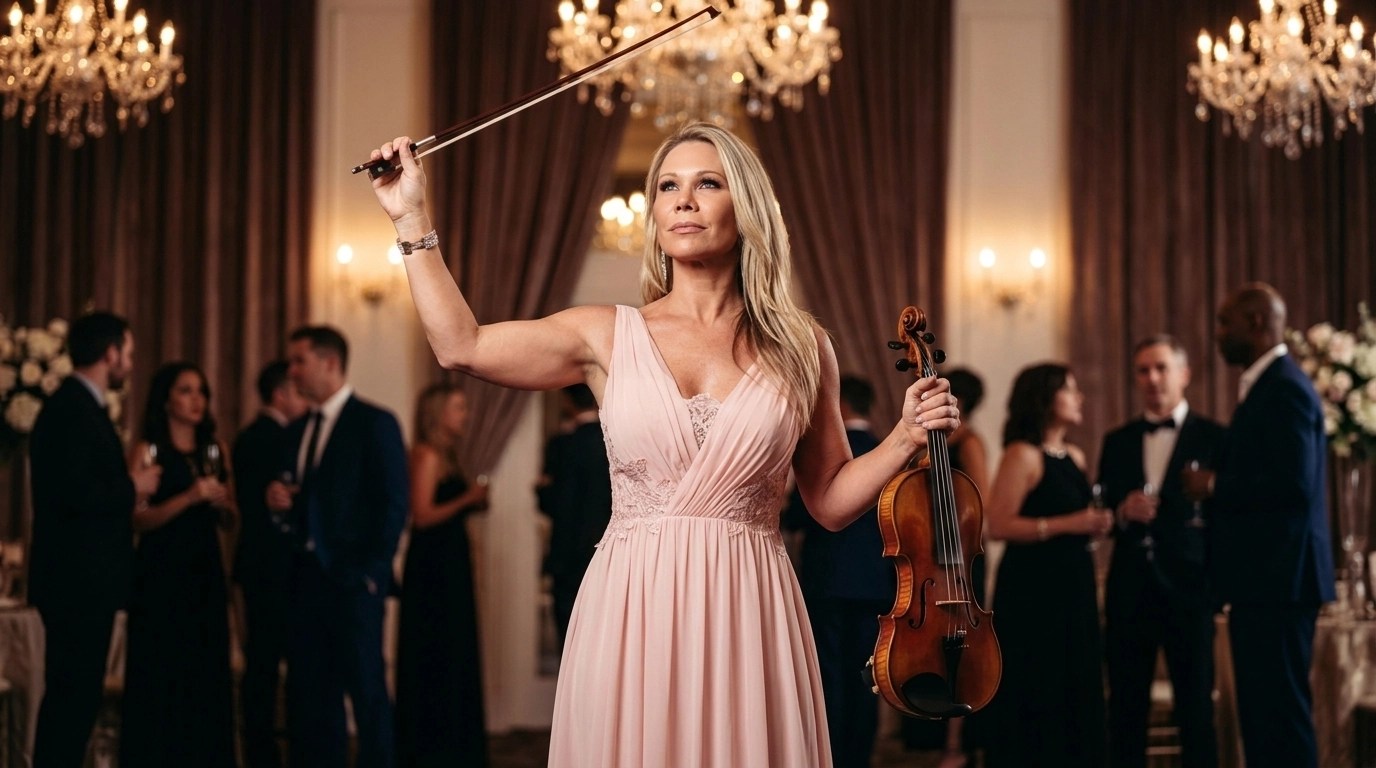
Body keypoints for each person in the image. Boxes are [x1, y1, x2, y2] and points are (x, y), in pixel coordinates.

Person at [366, 121, 961, 767]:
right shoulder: (604, 334)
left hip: (749, 603)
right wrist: (410, 216)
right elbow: (462, 346)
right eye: (667, 186)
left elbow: (828, 501)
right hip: (631, 600)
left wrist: (905, 435)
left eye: (708, 183)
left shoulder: (802, 345)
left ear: (747, 206)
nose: (683, 199)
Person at [1183, 282, 1336, 768]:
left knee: (1281, 719)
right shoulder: (1270, 385)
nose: (1217, 334)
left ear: (1255, 323)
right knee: (1263, 718)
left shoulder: (1285, 389)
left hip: (1280, 583)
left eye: (1225, 322)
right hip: (1266, 583)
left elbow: (1294, 485)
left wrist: (1215, 486)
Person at [265, 326, 409, 768]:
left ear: (329, 363)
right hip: (304, 584)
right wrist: (278, 504)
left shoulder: (375, 422)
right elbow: (301, 503)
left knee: (367, 698)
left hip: (353, 585)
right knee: (312, 702)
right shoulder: (296, 431)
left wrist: (370, 574)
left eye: (298, 361)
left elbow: (394, 506)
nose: (291, 371)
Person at [28, 311, 161, 768]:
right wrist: (134, 487)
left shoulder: (79, 406)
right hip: (77, 583)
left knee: (75, 699)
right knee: (72, 700)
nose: (129, 361)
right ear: (110, 353)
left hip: (81, 582)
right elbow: (74, 493)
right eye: (127, 351)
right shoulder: (71, 409)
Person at [1098, 336, 1225, 768]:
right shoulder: (1117, 441)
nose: (1152, 378)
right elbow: (1102, 513)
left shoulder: (1214, 437)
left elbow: (1226, 519)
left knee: (1196, 711)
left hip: (1191, 591)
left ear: (1184, 374)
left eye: (1161, 368)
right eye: (1143, 370)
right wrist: (1121, 511)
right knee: (1125, 710)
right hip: (1129, 589)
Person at [982, 363, 1112, 768]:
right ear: (1045, 399)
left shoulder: (1074, 454)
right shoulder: (1022, 454)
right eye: (1070, 390)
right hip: (1033, 591)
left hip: (1074, 584)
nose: (1079, 398)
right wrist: (1071, 523)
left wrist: (1095, 525)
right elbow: (999, 525)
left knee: (1077, 681)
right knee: (1039, 684)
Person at [120, 361, 236, 766]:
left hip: (203, 573)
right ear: (167, 398)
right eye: (186, 390)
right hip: (159, 575)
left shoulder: (215, 449)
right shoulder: (148, 450)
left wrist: (224, 504)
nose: (196, 400)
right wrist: (188, 497)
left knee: (205, 673)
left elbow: (231, 520)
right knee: (159, 672)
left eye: (201, 391)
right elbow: (136, 520)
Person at [780, 374, 889, 768]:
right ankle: (861, 758)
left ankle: (832, 757)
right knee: (867, 679)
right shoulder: (885, 452)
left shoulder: (823, 453)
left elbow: (796, 517)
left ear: (839, 405)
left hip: (827, 582)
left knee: (829, 676)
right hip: (877, 584)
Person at [396, 382, 490, 767]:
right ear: (437, 413)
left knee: (454, 652)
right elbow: (422, 516)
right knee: (436, 651)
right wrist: (468, 499)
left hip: (450, 565)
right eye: (458, 408)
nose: (465, 416)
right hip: (432, 570)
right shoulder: (426, 454)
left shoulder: (450, 455)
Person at [902, 366, 990, 768]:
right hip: (924, 557)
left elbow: (980, 505)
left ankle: (955, 742)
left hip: (958, 561)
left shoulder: (969, 441)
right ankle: (921, 730)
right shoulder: (926, 444)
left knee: (963, 652)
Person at [232, 359, 309, 768]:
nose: (304, 398)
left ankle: (265, 750)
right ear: (280, 394)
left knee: (263, 664)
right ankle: (266, 752)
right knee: (267, 666)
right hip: (272, 568)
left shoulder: (250, 436)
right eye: (298, 391)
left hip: (261, 566)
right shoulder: (273, 437)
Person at [536, 382, 612, 645]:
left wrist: (542, 490)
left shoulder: (561, 445)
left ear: (567, 402)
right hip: (609, 551)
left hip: (567, 554)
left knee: (570, 640)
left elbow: (551, 503)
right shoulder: (614, 441)